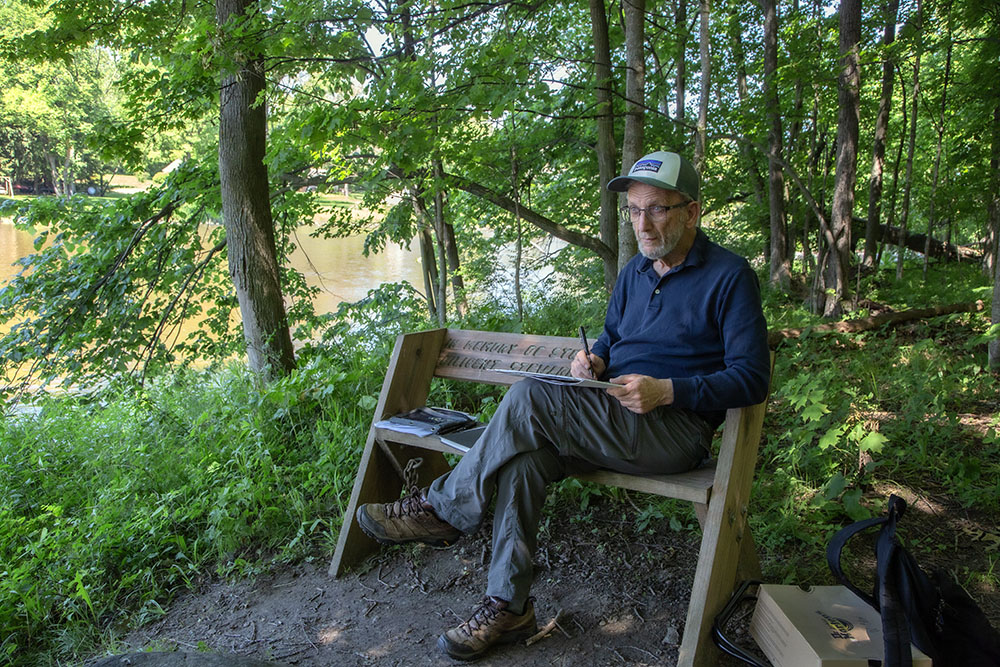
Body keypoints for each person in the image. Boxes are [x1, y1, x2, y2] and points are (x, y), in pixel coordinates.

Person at [355, 150, 771, 661]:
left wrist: (668, 390)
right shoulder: (635, 273)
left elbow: (751, 379)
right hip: (609, 418)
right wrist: (594, 358)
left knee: (531, 394)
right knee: (524, 462)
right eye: (635, 210)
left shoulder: (730, 276)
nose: (643, 223)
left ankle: (444, 509)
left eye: (657, 209)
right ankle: (509, 606)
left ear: (692, 211)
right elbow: (615, 335)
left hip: (671, 431)